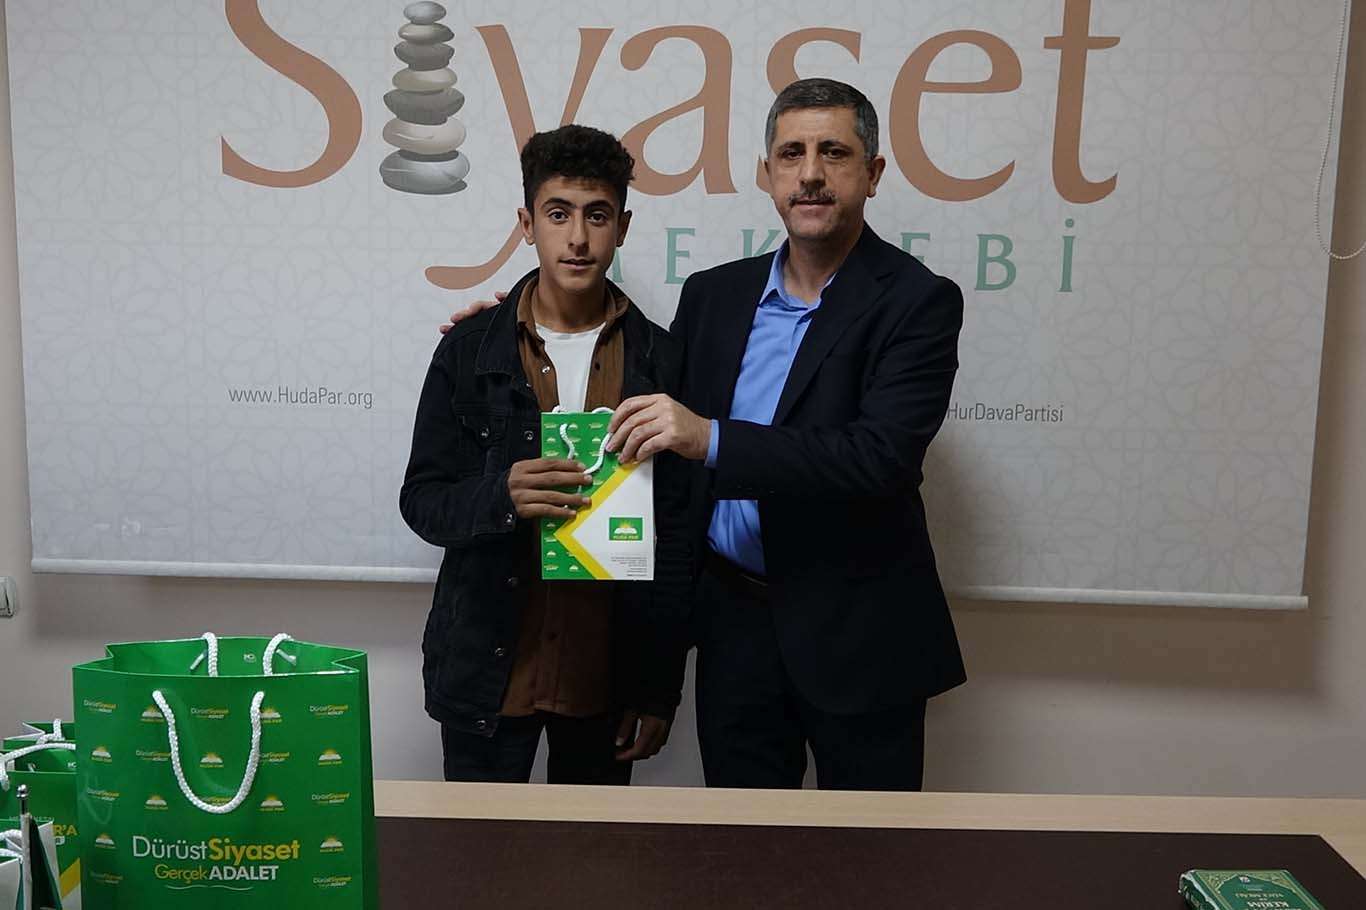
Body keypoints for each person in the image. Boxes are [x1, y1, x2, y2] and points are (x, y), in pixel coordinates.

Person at [442, 79, 966, 791]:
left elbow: (881, 459)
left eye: (834, 152)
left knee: (871, 848)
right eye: (792, 154)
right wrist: (512, 320)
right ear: (768, 174)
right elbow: (670, 485)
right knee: (738, 845)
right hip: (734, 630)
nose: (811, 173)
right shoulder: (715, 296)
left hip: (858, 634)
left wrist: (711, 438)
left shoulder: (918, 301)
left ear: (871, 173)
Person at [401, 124, 690, 784]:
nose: (578, 238)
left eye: (598, 215)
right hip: (488, 670)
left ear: (623, 226)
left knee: (589, 850)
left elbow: (678, 537)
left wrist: (657, 689)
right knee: (480, 846)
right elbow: (422, 500)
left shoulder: (661, 359)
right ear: (527, 224)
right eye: (558, 214)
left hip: (603, 675)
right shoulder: (470, 350)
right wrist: (500, 495)